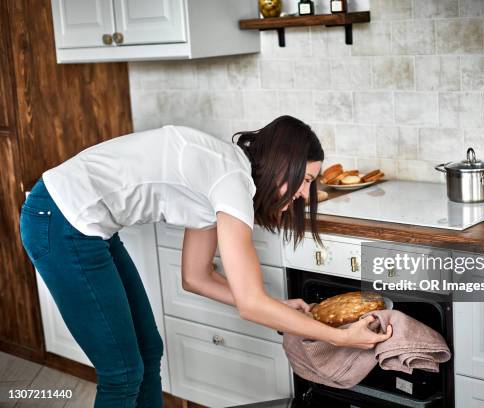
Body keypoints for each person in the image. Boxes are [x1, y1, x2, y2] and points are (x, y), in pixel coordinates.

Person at [19, 115, 393, 407]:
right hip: (60, 221)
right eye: (305, 180)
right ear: (284, 165)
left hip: (86, 226)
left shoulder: (221, 174)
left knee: (148, 352)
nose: (303, 193)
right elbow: (250, 303)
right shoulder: (232, 181)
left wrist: (278, 307)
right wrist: (338, 336)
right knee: (122, 372)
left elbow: (197, 277)